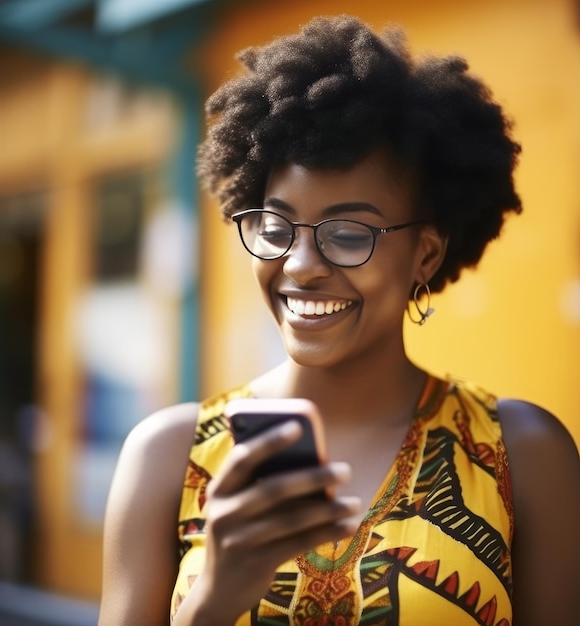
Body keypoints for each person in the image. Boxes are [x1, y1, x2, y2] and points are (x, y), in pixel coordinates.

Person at [98, 14, 580, 626]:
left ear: (424, 253)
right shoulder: (168, 457)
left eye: (348, 234)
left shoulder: (523, 453)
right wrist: (214, 599)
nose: (300, 265)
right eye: (275, 228)